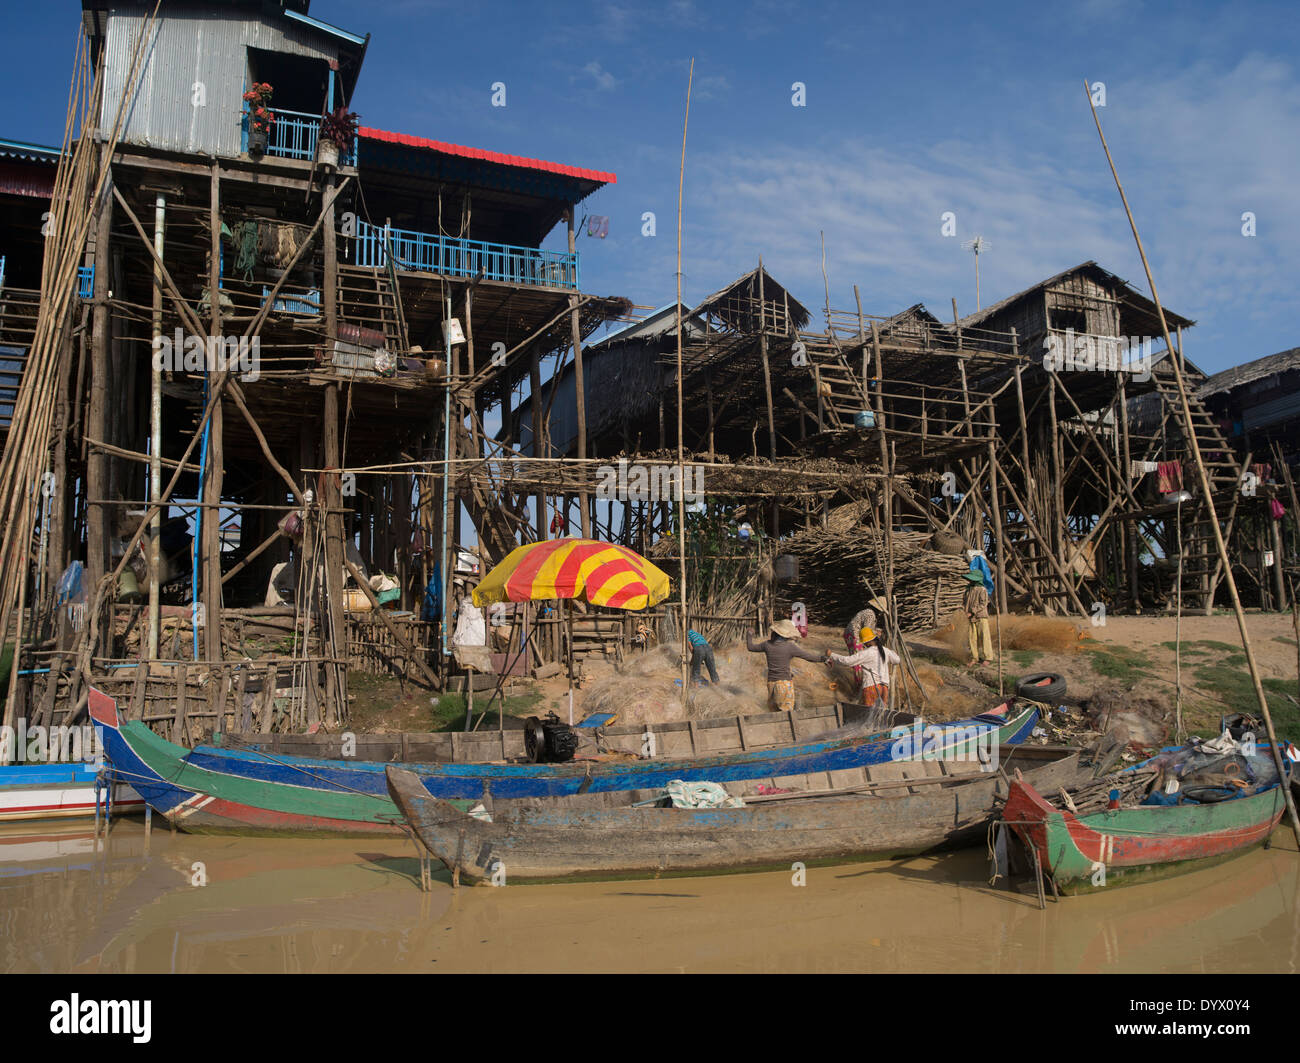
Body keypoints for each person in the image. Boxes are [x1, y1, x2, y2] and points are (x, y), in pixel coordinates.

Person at [746, 619, 824, 712]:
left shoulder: (766, 645)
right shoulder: (790, 647)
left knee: (774, 714)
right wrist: (824, 659)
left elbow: (750, 647)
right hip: (784, 685)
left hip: (771, 684)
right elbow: (809, 657)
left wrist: (749, 634)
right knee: (786, 715)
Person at [827, 627, 900, 707]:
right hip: (884, 688)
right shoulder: (885, 650)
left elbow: (847, 661)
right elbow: (897, 660)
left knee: (869, 714)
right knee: (881, 713)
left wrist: (832, 655)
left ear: (867, 642)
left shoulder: (867, 653)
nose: (864, 645)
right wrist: (891, 651)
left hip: (871, 687)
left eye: (864, 643)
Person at [963, 570, 994, 666]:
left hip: (981, 617)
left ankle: (988, 658)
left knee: (984, 637)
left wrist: (972, 612)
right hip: (970, 618)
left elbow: (983, 604)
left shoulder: (982, 590)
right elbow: (964, 603)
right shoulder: (968, 590)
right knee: (972, 638)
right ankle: (974, 657)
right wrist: (964, 611)